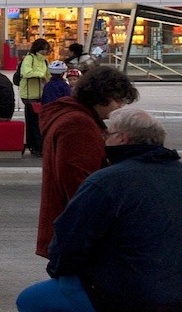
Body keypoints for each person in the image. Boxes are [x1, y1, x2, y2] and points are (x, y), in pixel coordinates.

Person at [11, 105, 182, 312]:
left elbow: (69, 243)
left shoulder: (107, 181)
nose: (104, 140)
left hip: (130, 302)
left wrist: (62, 272)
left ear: (124, 139)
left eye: (108, 134)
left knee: (30, 301)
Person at [36, 63, 139, 258]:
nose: (120, 107)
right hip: (78, 233)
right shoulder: (79, 123)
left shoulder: (69, 115)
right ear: (103, 95)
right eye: (118, 100)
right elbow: (79, 182)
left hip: (69, 228)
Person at [15, 37, 53, 155]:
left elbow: (48, 76)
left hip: (40, 94)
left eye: (47, 50)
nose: (45, 52)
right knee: (33, 120)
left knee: (37, 121)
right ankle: (35, 145)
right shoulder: (29, 58)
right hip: (29, 95)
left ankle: (36, 144)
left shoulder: (44, 61)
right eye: (44, 49)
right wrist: (41, 75)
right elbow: (26, 72)